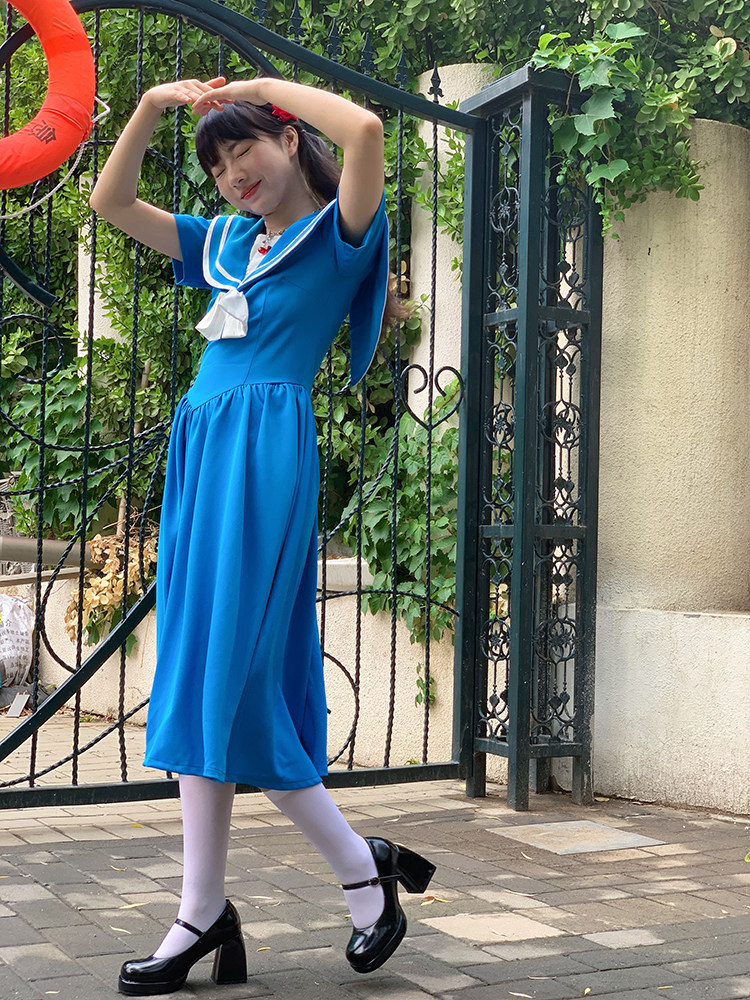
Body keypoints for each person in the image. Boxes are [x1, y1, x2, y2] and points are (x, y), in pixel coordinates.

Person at [89, 75, 435, 997]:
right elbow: (110, 203)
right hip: (202, 451)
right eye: (216, 165)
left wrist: (253, 87)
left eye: (244, 149)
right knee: (198, 673)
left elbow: (365, 129)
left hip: (265, 454)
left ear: (286, 139)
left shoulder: (341, 233)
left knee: (234, 677)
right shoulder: (227, 241)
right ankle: (210, 905)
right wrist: (152, 109)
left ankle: (353, 874)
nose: (232, 174)